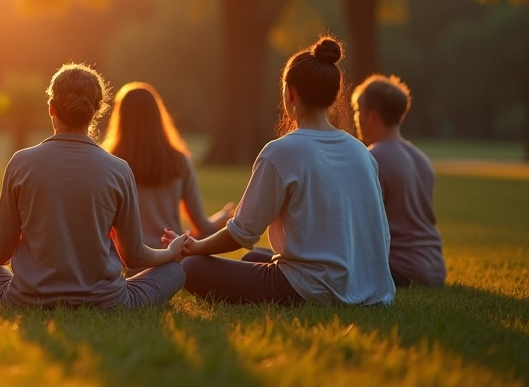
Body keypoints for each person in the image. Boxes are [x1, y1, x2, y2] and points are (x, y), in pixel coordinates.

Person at [174, 36, 395, 306]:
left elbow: (242, 234)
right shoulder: (361, 152)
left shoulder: (282, 151)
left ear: (290, 93)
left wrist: (193, 247)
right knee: (253, 259)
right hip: (365, 285)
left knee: (193, 267)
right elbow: (381, 234)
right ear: (334, 95)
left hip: (311, 290)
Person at [0, 63, 189, 309]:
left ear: (51, 108)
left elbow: (0, 253)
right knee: (174, 271)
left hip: (27, 300)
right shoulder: (119, 169)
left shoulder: (20, 163)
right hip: (108, 302)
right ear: (96, 111)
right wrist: (170, 253)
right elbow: (134, 257)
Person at [101, 82, 234, 248]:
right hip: (171, 259)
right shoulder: (179, 161)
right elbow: (201, 226)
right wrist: (221, 219)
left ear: (120, 117)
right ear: (158, 115)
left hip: (128, 263)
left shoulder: (109, 163)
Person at [352, 74, 446, 287]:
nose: (355, 118)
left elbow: (361, 226)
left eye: (358, 111)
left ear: (371, 116)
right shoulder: (421, 158)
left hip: (401, 269)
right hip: (434, 269)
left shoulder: (374, 157)